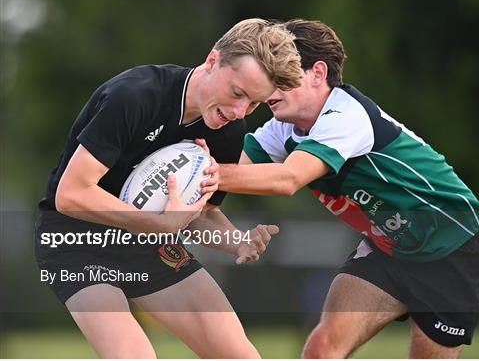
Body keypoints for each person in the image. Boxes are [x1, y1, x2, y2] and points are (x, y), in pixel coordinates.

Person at [217, 19, 479, 358]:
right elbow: (236, 169)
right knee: (322, 349)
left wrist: (204, 175)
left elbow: (286, 180)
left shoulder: (345, 117)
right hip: (389, 250)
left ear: (318, 73)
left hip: (451, 246)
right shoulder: (282, 128)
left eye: (281, 75)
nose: (269, 87)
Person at [34, 18, 303, 358]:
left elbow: (196, 215)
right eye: (237, 93)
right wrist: (159, 225)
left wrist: (238, 241)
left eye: (253, 104)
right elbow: (70, 195)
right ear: (212, 61)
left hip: (148, 245)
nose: (239, 112)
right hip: (76, 240)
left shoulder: (228, 131)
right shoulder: (134, 96)